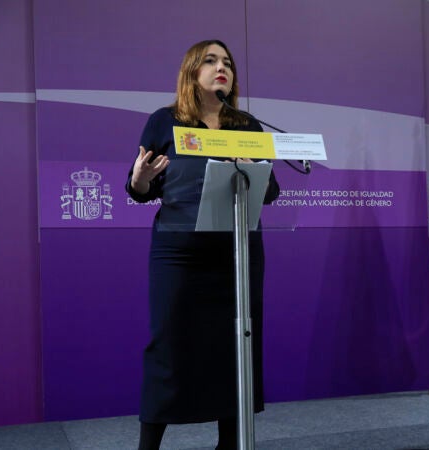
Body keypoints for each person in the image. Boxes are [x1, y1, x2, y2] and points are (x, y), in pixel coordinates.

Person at [126, 39, 280, 450]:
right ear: (192, 71)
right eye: (210, 61)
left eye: (226, 62)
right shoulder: (165, 121)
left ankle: (229, 443)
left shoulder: (246, 125)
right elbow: (140, 187)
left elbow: (271, 191)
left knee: (236, 346)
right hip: (179, 252)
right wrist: (140, 179)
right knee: (169, 347)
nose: (221, 67)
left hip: (238, 253)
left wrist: (253, 172)